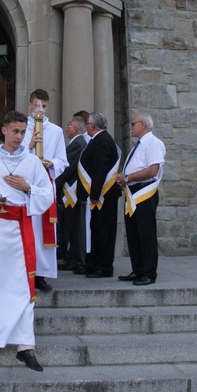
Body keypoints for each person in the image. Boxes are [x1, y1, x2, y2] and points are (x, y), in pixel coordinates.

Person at [0, 111, 54, 372]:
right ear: (3, 130)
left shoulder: (32, 162)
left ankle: (26, 346)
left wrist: (27, 188)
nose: (19, 137)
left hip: (21, 229)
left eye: (23, 132)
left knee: (23, 287)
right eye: (15, 131)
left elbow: (46, 195)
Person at [21, 89, 68, 292]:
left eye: (44, 106)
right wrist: (30, 146)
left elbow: (62, 160)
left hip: (45, 182)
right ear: (30, 105)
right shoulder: (21, 128)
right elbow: (14, 155)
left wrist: (52, 163)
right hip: (24, 185)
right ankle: (23, 271)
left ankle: (40, 274)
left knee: (42, 232)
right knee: (26, 227)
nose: (41, 110)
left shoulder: (56, 131)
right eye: (37, 105)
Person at [116, 113, 165, 286]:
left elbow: (152, 170)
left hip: (144, 192)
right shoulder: (140, 144)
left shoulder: (153, 143)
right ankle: (138, 270)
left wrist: (128, 177)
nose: (131, 127)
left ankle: (149, 272)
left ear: (143, 125)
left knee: (145, 233)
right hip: (133, 191)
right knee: (134, 233)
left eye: (134, 124)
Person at [78, 112, 121, 278]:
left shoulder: (102, 140)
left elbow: (100, 168)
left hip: (105, 196)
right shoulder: (99, 139)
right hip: (100, 195)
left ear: (93, 126)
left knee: (104, 232)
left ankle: (103, 267)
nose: (86, 126)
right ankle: (95, 263)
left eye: (87, 124)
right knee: (96, 230)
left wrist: (95, 194)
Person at [56, 116, 87, 271]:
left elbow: (66, 168)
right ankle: (70, 257)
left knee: (74, 226)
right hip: (70, 191)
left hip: (72, 191)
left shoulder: (78, 144)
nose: (66, 129)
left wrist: (53, 183)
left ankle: (75, 259)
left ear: (75, 128)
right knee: (69, 225)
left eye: (68, 126)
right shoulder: (77, 143)